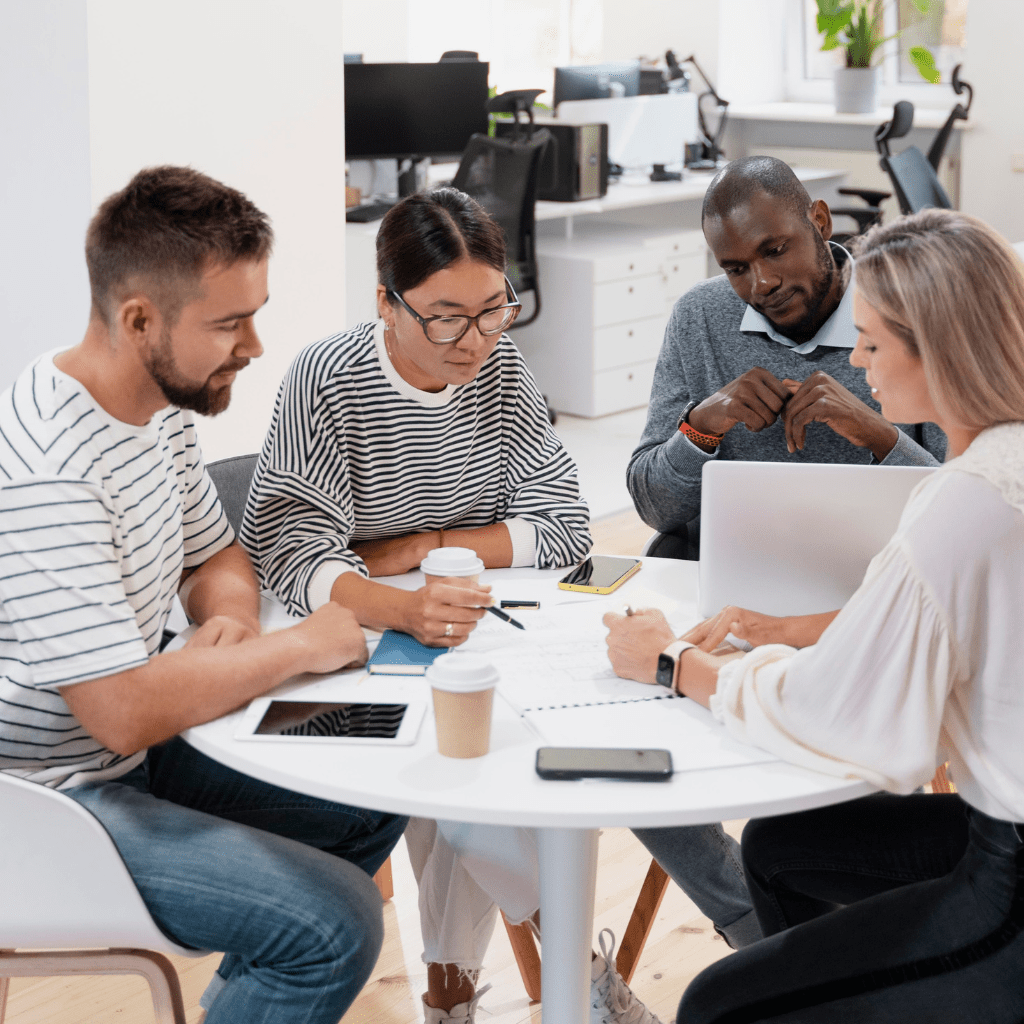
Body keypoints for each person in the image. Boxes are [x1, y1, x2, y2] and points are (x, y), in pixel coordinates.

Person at [240, 187, 755, 1023]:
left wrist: (415, 547)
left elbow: (562, 524)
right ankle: (577, 979)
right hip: (362, 639)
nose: (475, 341)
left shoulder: (501, 368)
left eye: (493, 311)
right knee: (457, 781)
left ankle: (456, 995)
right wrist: (396, 604)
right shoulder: (327, 379)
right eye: (446, 317)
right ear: (386, 301)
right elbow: (291, 549)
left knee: (490, 758)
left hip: (489, 625)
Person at [0, 166, 408, 1024]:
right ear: (139, 319)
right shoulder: (50, 471)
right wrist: (293, 647)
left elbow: (217, 553)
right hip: (43, 803)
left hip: (132, 748)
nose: (255, 346)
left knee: (383, 771)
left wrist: (227, 621)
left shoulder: (160, 406)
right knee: (333, 924)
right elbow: (116, 711)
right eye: (231, 323)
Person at [605, 208, 1024, 1022]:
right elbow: (938, 624)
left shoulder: (966, 501)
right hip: (993, 820)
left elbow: (846, 716)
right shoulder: (1005, 462)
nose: (857, 362)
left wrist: (669, 663)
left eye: (870, 341)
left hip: (1011, 869)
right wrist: (784, 629)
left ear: (935, 346)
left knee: (717, 1004)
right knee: (781, 848)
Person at [628, 155, 946, 561]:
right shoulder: (700, 316)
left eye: (775, 250)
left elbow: (962, 508)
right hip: (733, 577)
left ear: (820, 221)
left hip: (876, 582)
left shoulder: (909, 314)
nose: (762, 283)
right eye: (736, 268)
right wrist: (701, 427)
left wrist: (876, 435)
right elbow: (654, 508)